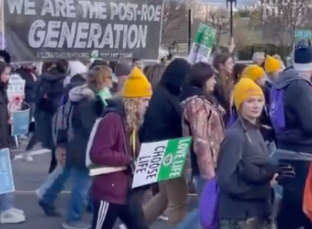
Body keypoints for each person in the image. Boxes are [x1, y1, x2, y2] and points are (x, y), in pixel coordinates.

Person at [39, 65, 113, 228]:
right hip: (84, 146)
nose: (111, 81)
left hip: (77, 144)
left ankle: (47, 199)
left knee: (66, 175)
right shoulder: (90, 101)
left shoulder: (86, 97)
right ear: (101, 80)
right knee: (82, 184)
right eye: (109, 78)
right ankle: (73, 219)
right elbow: (91, 126)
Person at [217, 78, 291, 229]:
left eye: (259, 100)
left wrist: (275, 171)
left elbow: (254, 166)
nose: (256, 105)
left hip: (257, 212)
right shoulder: (235, 136)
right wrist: (265, 187)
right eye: (250, 101)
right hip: (241, 217)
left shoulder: (255, 130)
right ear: (240, 105)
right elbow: (227, 181)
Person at [89, 67, 152, 229]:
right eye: (144, 100)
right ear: (133, 100)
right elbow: (97, 153)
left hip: (126, 191)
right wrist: (128, 160)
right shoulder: (112, 119)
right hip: (109, 192)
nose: (147, 105)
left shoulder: (130, 120)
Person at [273, 40, 312, 229]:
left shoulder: (282, 82)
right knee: (299, 204)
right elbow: (309, 124)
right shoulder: (300, 87)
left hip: (286, 146)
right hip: (301, 152)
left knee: (292, 202)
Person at [140, 58, 191, 226]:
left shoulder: (161, 94)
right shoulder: (163, 97)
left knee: (163, 198)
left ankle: (136, 224)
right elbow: (157, 126)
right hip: (170, 149)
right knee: (177, 203)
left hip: (165, 148)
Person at [178, 62, 226, 229]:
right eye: (212, 79)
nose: (215, 82)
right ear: (202, 80)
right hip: (207, 166)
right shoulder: (197, 104)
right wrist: (209, 172)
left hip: (213, 162)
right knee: (207, 211)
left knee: (206, 209)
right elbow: (201, 139)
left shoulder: (204, 101)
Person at [0, 61, 25, 224]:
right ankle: (5, 209)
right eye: (6, 73)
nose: (7, 77)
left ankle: (6, 207)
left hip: (3, 138)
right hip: (0, 141)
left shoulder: (2, 91)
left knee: (5, 176)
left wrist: (8, 120)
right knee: (3, 177)